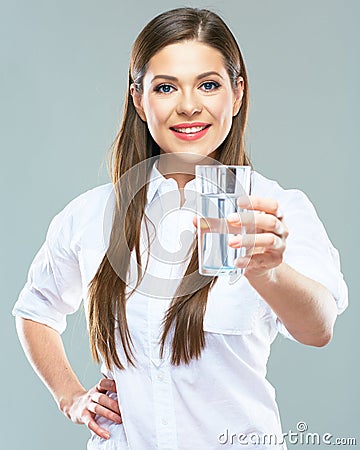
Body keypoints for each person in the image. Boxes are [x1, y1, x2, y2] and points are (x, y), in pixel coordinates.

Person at [13, 7, 348, 450]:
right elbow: (35, 311)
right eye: (166, 87)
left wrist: (268, 270)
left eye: (208, 85)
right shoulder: (92, 215)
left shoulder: (278, 209)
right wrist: (70, 397)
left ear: (237, 93)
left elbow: (318, 328)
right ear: (138, 99)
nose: (189, 105)